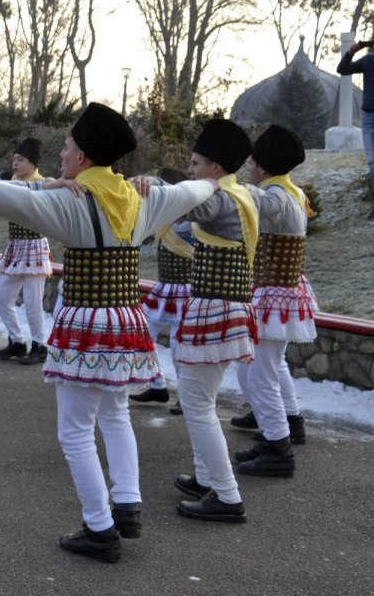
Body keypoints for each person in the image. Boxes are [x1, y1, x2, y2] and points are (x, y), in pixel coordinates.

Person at [0, 102, 218, 564]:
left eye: (69, 147)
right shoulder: (142, 198)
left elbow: (9, 197)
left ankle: (100, 527)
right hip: (126, 321)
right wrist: (204, 180)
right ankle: (127, 505)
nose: (63, 154)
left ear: (85, 157)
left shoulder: (71, 200)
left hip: (86, 323)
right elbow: (193, 190)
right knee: (114, 415)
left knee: (75, 430)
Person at [141, 118, 257, 525]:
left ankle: (226, 495)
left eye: (194, 164)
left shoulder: (222, 200)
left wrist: (154, 185)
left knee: (198, 405)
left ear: (216, 169)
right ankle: (207, 479)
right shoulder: (240, 194)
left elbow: (191, 203)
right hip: (220, 309)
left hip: (216, 310)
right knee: (198, 403)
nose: (189, 172)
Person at [229, 125, 315, 478]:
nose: (249, 167)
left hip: (275, 294)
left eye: (251, 163)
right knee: (271, 366)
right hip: (281, 293)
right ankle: (287, 423)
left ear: (262, 167)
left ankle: (277, 447)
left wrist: (230, 187)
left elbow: (260, 204)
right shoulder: (290, 190)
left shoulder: (277, 194)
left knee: (258, 372)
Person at [133, 168, 194, 410]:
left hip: (188, 290)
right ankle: (157, 384)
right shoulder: (164, 219)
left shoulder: (194, 220)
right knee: (141, 333)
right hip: (165, 288)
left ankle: (186, 395)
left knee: (179, 346)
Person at [0, 138, 52, 365]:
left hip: (34, 245)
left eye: (21, 159)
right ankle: (17, 340)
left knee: (33, 301)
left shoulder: (43, 184)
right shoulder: (10, 180)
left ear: (33, 163)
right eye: (14, 159)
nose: (15, 163)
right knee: (1, 298)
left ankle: (40, 345)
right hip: (15, 246)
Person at [336, 38, 374, 220]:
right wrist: (351, 52)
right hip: (369, 116)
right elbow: (342, 70)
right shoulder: (368, 61)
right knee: (373, 161)